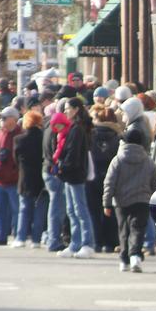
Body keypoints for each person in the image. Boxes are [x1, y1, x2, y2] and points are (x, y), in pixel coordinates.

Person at [103, 129, 156, 273]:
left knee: (123, 231)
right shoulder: (148, 160)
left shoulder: (118, 160)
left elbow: (109, 182)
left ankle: (124, 260)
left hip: (121, 202)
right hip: (142, 201)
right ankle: (135, 256)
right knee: (138, 229)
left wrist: (107, 202)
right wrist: (155, 199)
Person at [56, 98, 96, 258]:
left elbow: (74, 153)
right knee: (71, 210)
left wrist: (63, 165)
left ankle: (87, 243)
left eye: (68, 108)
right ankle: (75, 243)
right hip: (69, 174)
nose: (65, 111)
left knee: (80, 209)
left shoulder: (78, 129)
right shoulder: (72, 127)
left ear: (76, 109)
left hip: (76, 173)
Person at [87, 105, 121, 253]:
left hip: (93, 176)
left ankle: (96, 242)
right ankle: (110, 242)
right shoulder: (119, 136)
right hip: (112, 177)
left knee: (94, 211)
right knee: (110, 210)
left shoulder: (91, 134)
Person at [0, 106, 21, 245]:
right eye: (1, 117)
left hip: (14, 180)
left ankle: (18, 235)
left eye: (4, 117)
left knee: (16, 209)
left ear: (14, 119)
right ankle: (2, 236)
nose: (1, 120)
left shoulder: (20, 135)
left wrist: (16, 172)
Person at [12, 109, 45, 247]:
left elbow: (15, 160)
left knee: (24, 208)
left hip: (25, 177)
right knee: (40, 210)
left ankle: (21, 237)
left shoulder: (19, 139)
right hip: (41, 177)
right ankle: (36, 240)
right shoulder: (43, 137)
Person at [42, 111, 69, 252]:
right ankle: (53, 240)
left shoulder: (47, 126)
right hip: (53, 171)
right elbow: (56, 151)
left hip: (47, 169)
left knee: (54, 206)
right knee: (57, 208)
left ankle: (51, 237)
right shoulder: (56, 129)